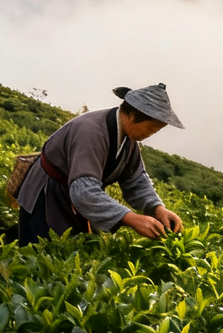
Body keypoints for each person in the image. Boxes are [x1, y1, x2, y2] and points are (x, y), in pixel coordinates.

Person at [17, 83, 184, 245]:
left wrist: (157, 208)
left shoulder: (129, 139)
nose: (151, 134)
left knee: (71, 251)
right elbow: (84, 190)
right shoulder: (90, 132)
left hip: (71, 196)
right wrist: (130, 218)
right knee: (40, 250)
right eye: (151, 128)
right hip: (47, 195)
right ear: (133, 115)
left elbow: (136, 179)